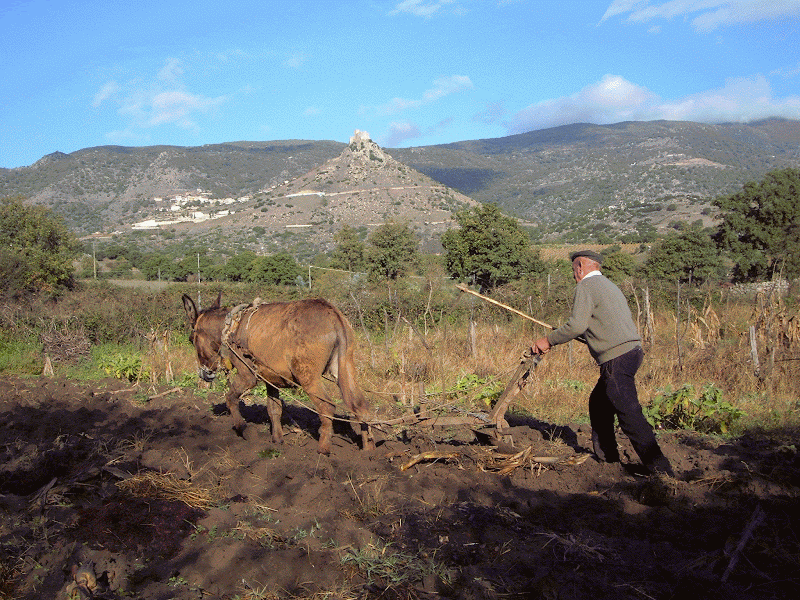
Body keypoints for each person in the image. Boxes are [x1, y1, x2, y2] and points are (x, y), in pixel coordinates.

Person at [533, 250, 674, 477]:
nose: (573, 276)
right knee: (599, 403)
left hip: (616, 359)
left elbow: (576, 325)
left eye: (573, 271)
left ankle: (661, 471)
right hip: (631, 352)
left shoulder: (585, 287)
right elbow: (602, 324)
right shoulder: (608, 285)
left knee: (629, 414)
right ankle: (608, 459)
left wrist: (547, 341)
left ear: (580, 267)